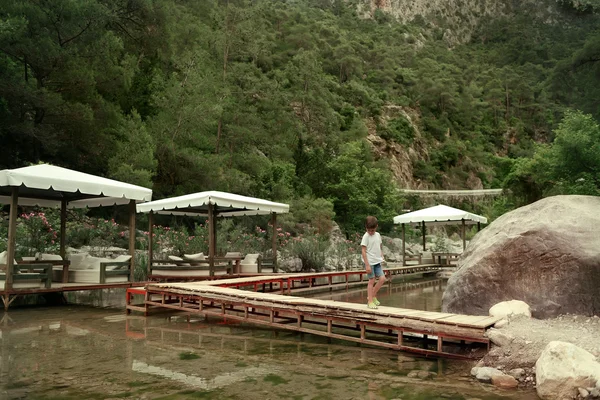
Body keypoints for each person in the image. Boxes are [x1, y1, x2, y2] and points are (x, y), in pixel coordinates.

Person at [361, 216, 386, 309]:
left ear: (376, 227)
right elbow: (363, 251)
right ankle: (370, 301)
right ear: (366, 228)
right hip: (370, 262)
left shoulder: (378, 235)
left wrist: (381, 255)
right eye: (369, 230)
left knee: (382, 279)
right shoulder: (366, 236)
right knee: (371, 280)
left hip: (377, 261)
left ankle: (372, 295)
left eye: (372, 230)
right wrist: (367, 265)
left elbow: (379, 246)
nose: (371, 232)